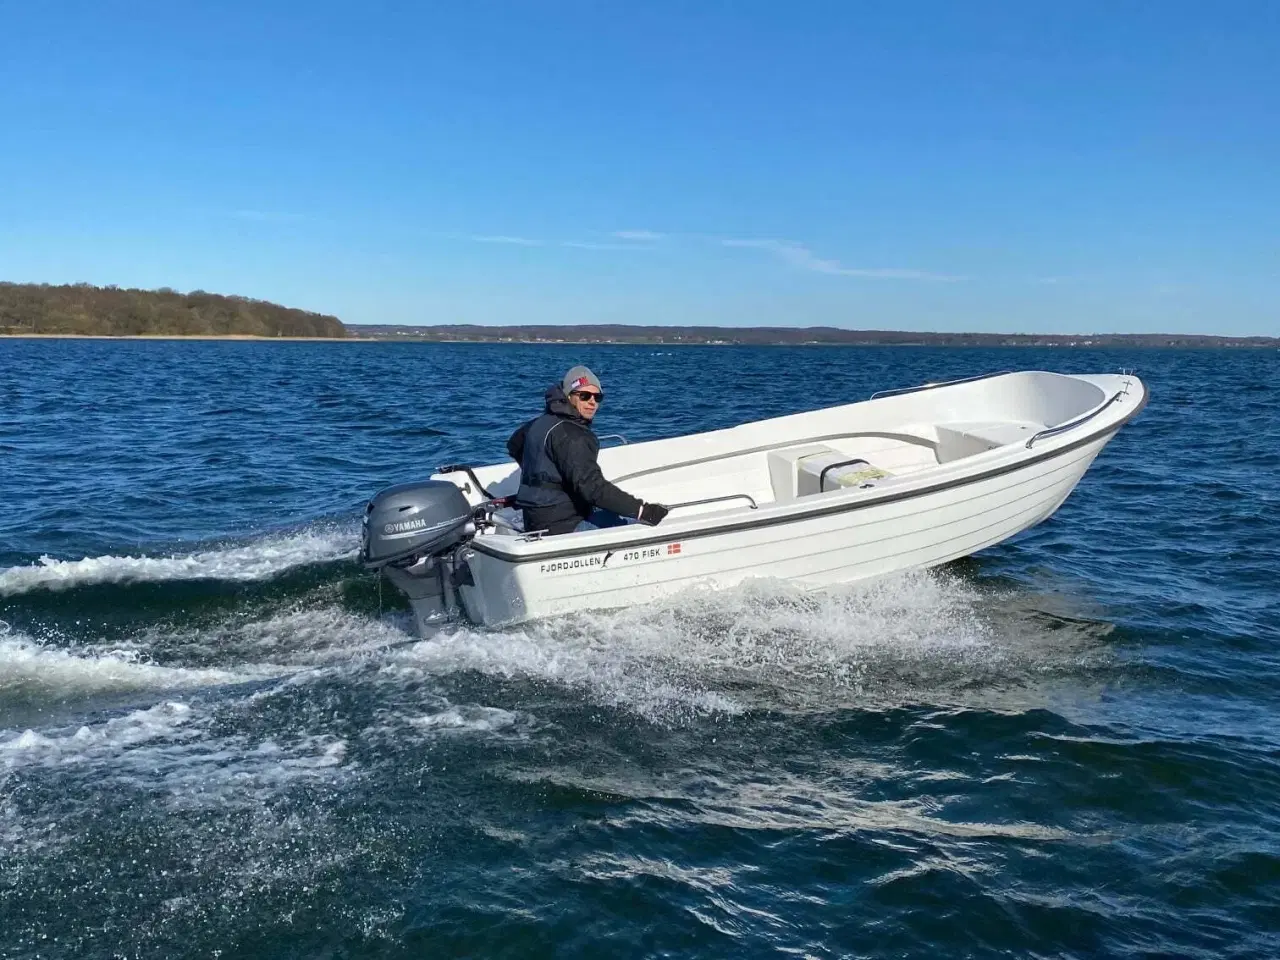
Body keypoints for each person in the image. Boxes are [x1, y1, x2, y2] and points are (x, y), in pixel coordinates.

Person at [507, 365, 670, 536]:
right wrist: (642, 511)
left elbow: (514, 445)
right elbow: (593, 488)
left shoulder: (540, 423)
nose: (592, 402)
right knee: (634, 523)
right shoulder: (573, 435)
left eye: (597, 397)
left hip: (534, 519)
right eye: (584, 396)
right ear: (569, 396)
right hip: (564, 526)